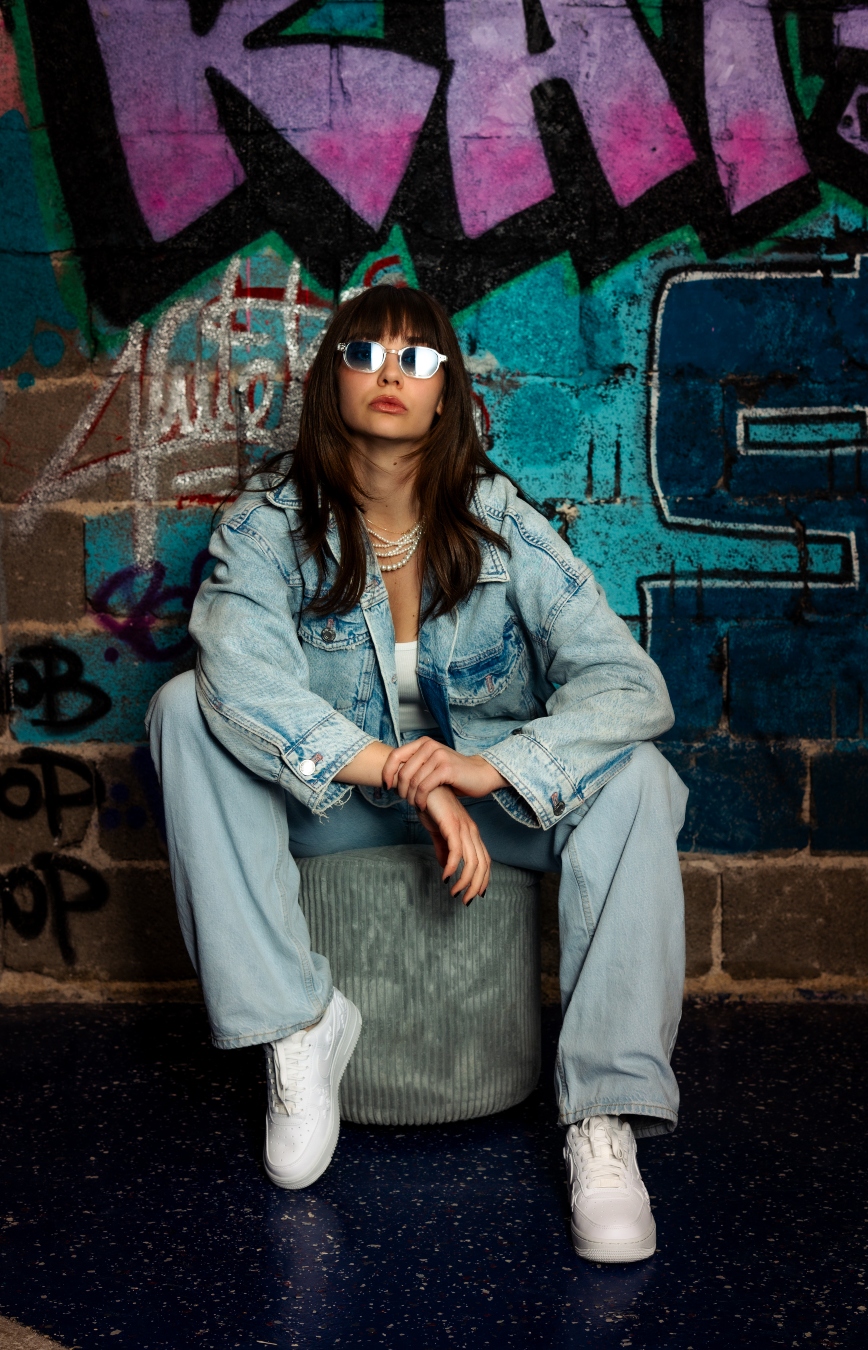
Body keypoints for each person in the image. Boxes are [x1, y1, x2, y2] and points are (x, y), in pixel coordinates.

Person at [146, 283, 688, 1265]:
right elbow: (239, 674)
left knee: (640, 777)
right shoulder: (270, 524)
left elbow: (630, 687)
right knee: (183, 708)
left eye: (418, 358)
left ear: (446, 396)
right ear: (331, 382)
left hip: (493, 808)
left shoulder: (499, 523)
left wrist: (485, 768)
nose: (390, 373)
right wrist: (410, 774)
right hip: (333, 804)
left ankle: (603, 1120)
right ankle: (299, 1024)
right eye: (363, 354)